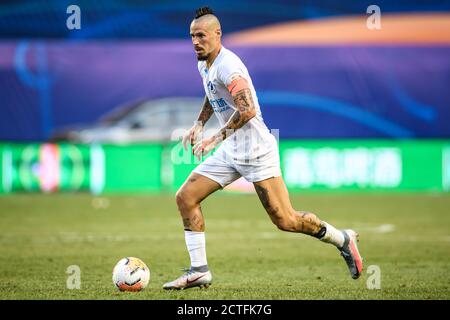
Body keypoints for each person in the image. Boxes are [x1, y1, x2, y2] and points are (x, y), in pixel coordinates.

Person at [163, 7, 363, 290]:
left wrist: (214, 138)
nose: (196, 41)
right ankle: (199, 271)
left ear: (217, 35)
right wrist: (198, 124)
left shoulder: (229, 66)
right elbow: (213, 95)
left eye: (201, 36)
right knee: (185, 197)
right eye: (192, 36)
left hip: (256, 152)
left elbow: (247, 109)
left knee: (287, 220)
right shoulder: (204, 63)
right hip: (231, 150)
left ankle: (342, 239)